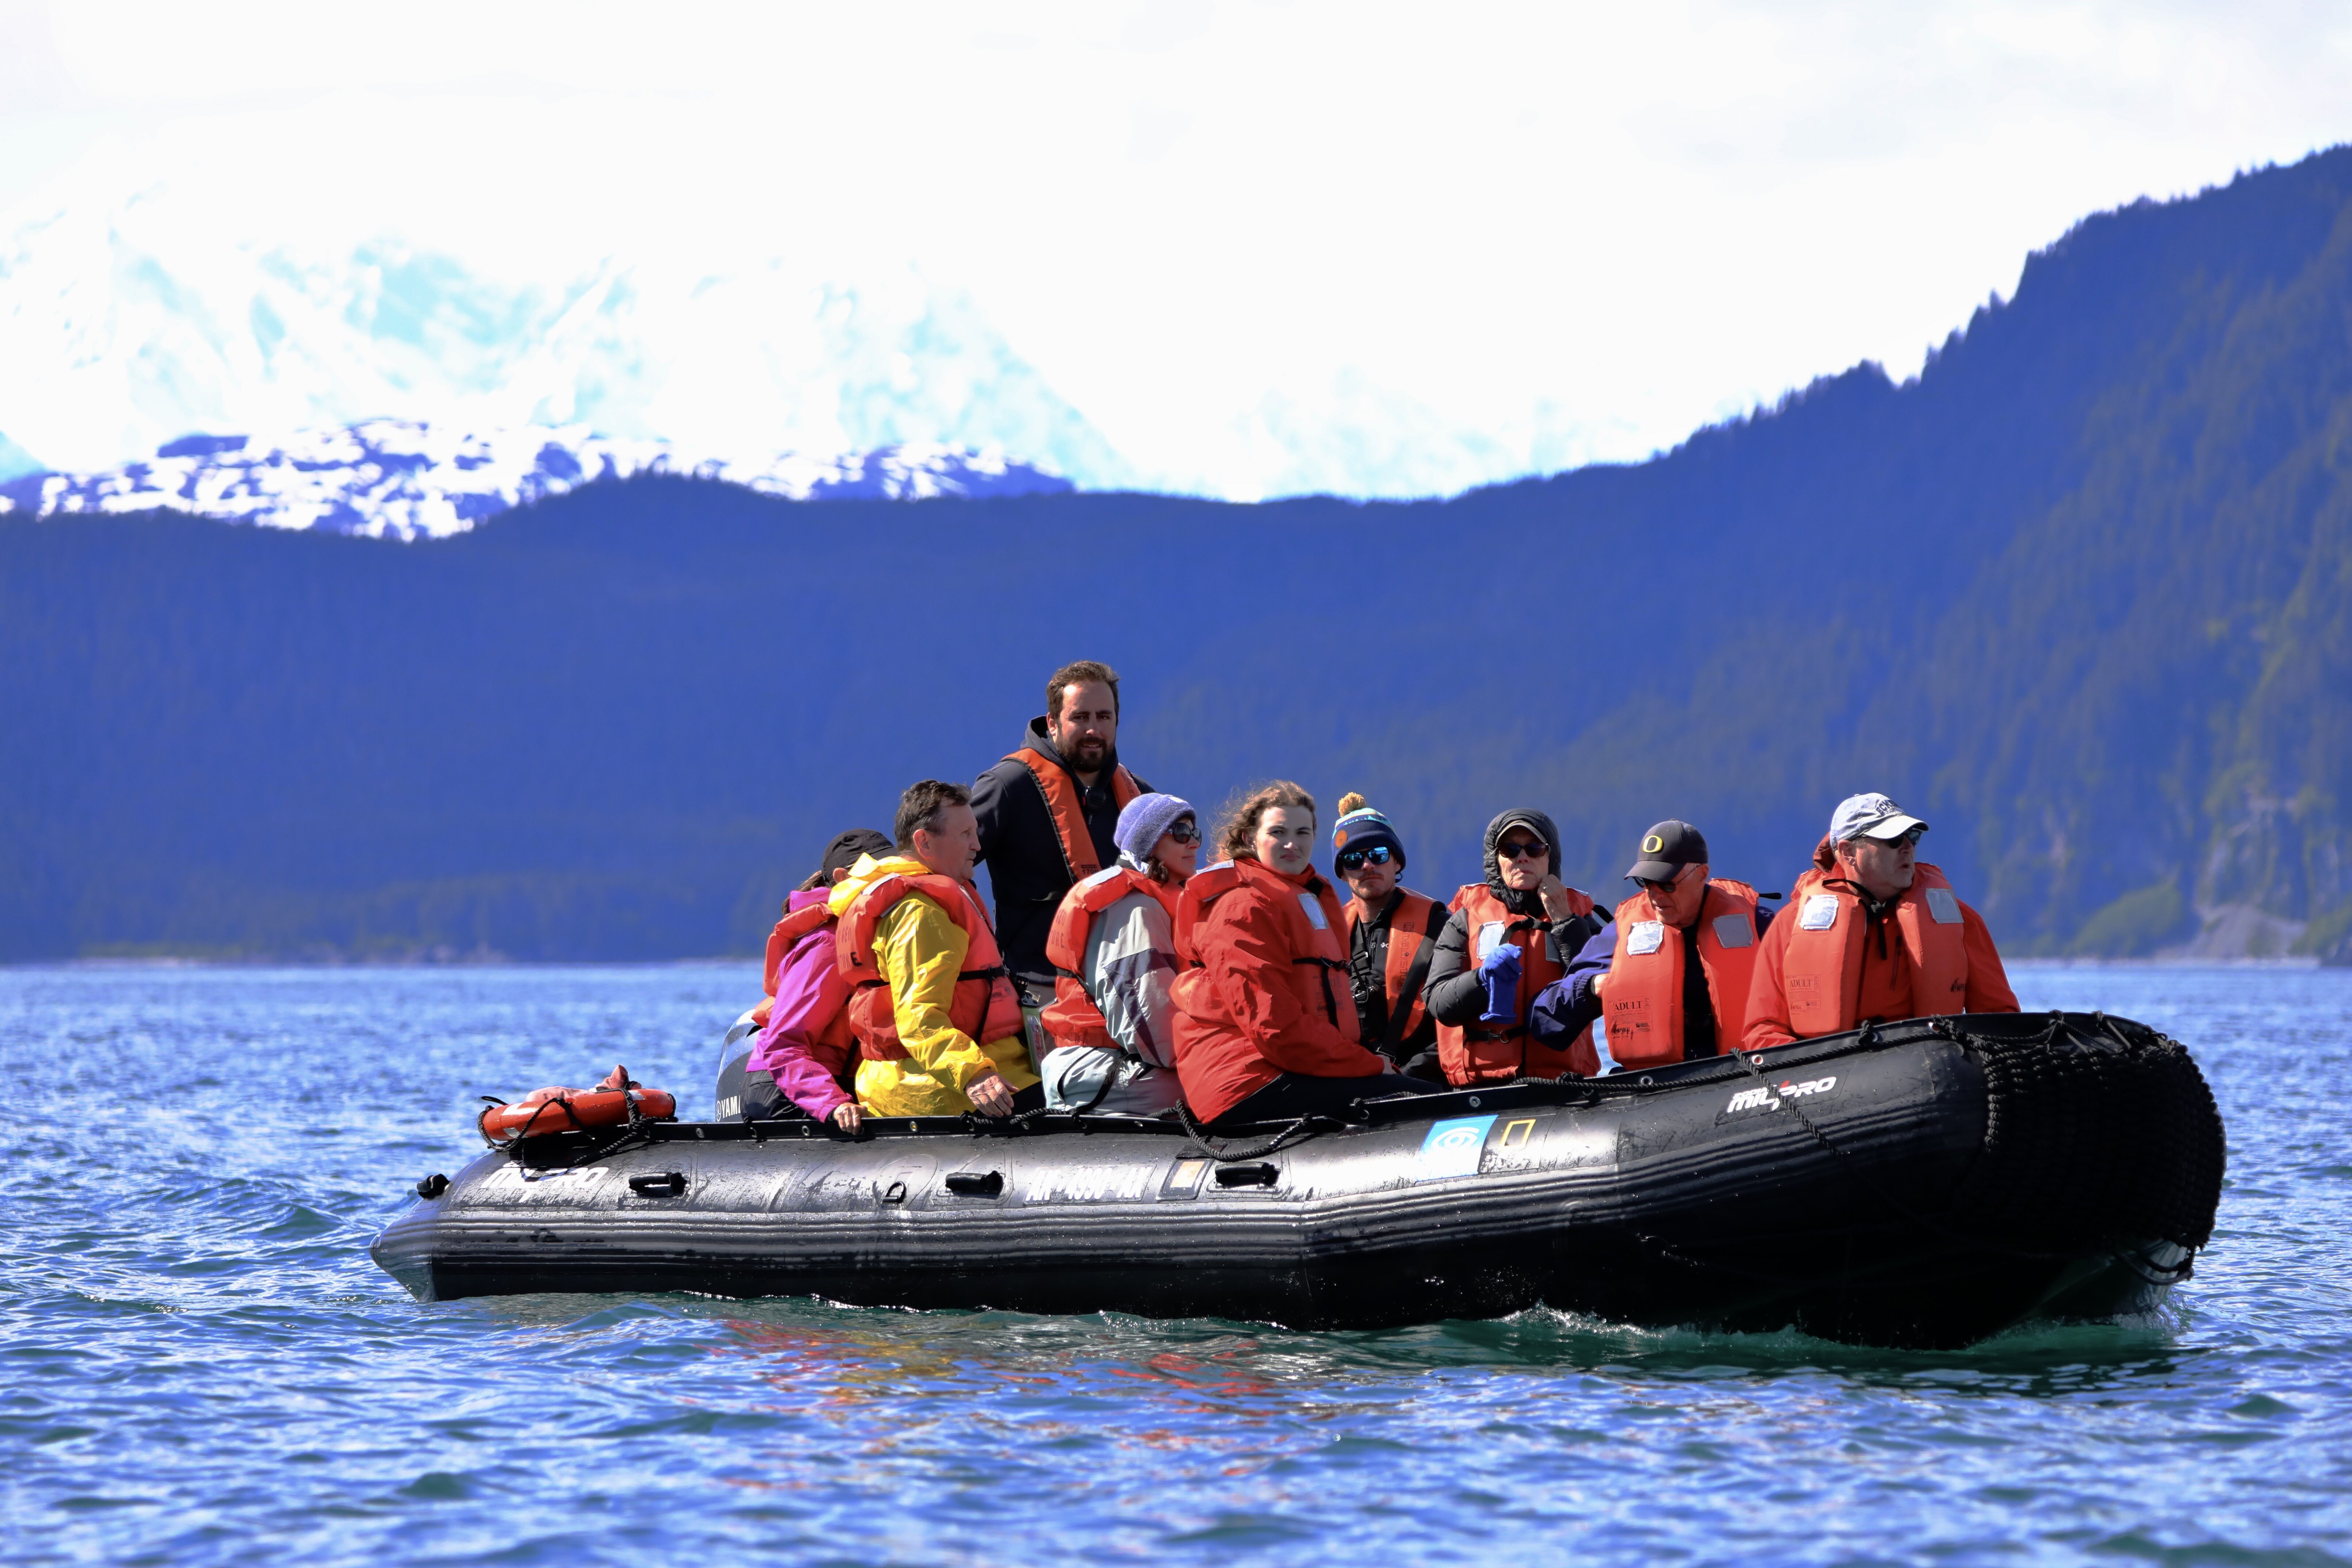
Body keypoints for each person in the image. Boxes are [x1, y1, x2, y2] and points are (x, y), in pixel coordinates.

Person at [1169, 781, 1436, 1127]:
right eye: (1278, 832)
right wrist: (1370, 1065)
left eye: (1303, 832)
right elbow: (1274, 1027)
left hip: (1284, 1068)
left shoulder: (1294, 897)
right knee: (1423, 1103)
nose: (1292, 844)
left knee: (1418, 1094)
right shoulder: (1241, 905)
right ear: (1250, 838)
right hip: (1247, 1081)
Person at [829, 780, 1043, 1118]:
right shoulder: (919, 912)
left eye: (975, 831)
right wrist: (973, 1074)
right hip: (945, 1089)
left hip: (957, 1073)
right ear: (924, 842)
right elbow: (919, 1017)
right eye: (965, 834)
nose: (977, 844)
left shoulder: (924, 901)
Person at [1744, 792, 2020, 1051]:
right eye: (1893, 839)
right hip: (1830, 1073)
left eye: (1912, 836)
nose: (1908, 847)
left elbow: (2000, 1020)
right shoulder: (1791, 925)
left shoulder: (1959, 920)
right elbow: (1763, 1031)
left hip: (1929, 1064)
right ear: (1848, 851)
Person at [972, 660, 1153, 1011]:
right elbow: (946, 860)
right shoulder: (1008, 786)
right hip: (1038, 992)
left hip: (1127, 990)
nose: (1093, 729)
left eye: (1104, 716)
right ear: (1053, 723)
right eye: (1080, 717)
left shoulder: (1140, 798)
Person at [1531, 820, 1773, 1070]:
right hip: (1658, 1081)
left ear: (1702, 875)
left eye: (1667, 884)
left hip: (1748, 1072)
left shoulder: (1758, 924)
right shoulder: (1624, 934)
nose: (1655, 895)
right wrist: (1591, 989)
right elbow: (1543, 1016)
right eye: (1646, 882)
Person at [1036, 792, 1201, 1114]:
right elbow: (1154, 1031)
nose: (1193, 842)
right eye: (1181, 832)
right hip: (1099, 1066)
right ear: (1148, 843)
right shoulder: (1134, 909)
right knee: (1224, 1087)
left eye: (1195, 833)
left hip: (1122, 1061)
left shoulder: (1151, 901)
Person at [717, 827, 892, 1127]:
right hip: (788, 1090)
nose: (894, 880)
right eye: (880, 872)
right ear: (842, 878)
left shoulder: (871, 936)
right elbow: (784, 1043)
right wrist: (832, 1103)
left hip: (826, 1083)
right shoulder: (829, 943)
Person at [1423, 808, 1607, 1082]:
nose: (1522, 857)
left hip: (1562, 1083)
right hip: (1484, 1086)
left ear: (1551, 857)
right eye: (1510, 849)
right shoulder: (1465, 919)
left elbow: (1601, 989)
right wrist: (1481, 979)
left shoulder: (1580, 918)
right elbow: (1438, 1002)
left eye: (1535, 849)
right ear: (1495, 860)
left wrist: (1564, 921)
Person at [1330, 793, 1447, 1081]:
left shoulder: (1439, 926)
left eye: (1379, 854)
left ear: (1397, 862)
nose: (1367, 865)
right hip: (1354, 1083)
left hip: (1425, 1083)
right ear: (1342, 873)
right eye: (1353, 859)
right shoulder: (1331, 938)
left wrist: (1403, 1078)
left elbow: (1455, 1021)